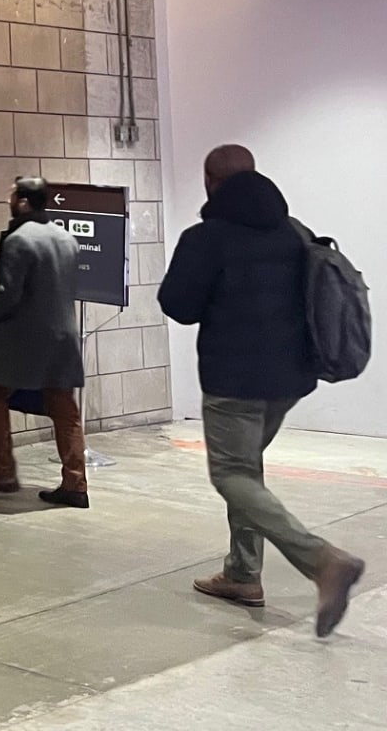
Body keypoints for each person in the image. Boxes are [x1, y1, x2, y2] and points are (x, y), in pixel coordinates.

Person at [159, 145, 366, 637]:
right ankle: (242, 574)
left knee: (233, 475)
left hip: (234, 382)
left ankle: (324, 562)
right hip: (290, 380)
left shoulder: (206, 238)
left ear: (210, 180)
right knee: (248, 469)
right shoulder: (294, 231)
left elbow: (179, 305)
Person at [0, 176, 89, 508]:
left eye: (11, 196)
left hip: (24, 336)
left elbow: (11, 295)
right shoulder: (66, 238)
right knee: (65, 408)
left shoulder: (20, 240)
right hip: (63, 335)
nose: (8, 200)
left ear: (22, 201)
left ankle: (5, 471)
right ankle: (76, 482)